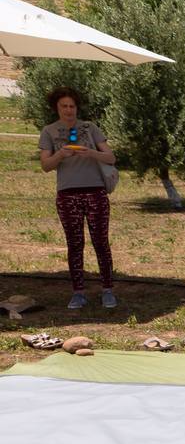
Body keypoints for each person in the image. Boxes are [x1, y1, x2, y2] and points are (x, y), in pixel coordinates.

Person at [37, 87, 118, 310]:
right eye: (64, 106)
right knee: (74, 243)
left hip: (95, 191)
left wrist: (91, 153)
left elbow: (110, 157)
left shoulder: (89, 128)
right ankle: (78, 292)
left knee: (100, 241)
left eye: (72, 106)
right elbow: (45, 166)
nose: (69, 110)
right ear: (57, 108)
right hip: (67, 193)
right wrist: (60, 154)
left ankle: (107, 290)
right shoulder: (49, 131)